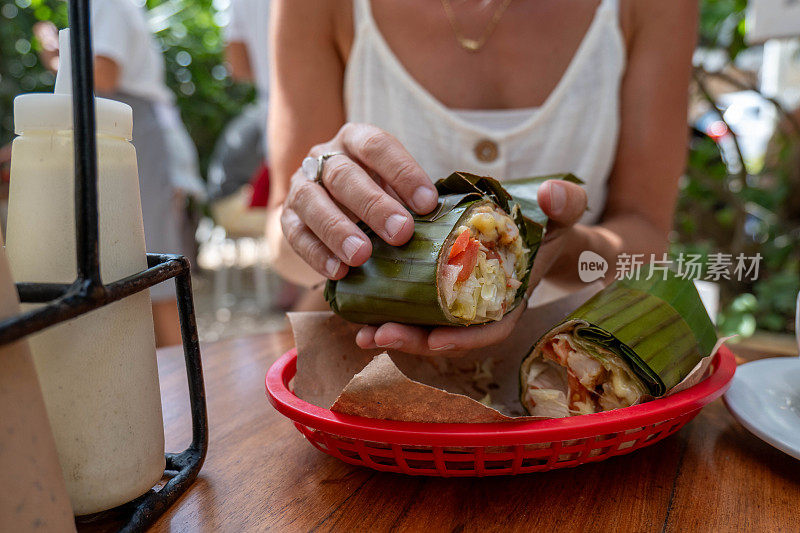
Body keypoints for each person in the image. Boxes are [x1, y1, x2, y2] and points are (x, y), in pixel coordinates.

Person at [268, 0, 697, 355]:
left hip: (573, 364)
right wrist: (311, 212)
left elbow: (645, 237)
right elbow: (280, 242)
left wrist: (568, 251)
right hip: (357, 364)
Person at [34, 0, 205, 347]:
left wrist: (53, 52)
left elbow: (103, 74)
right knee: (135, 261)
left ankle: (179, 385)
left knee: (152, 262)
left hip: (133, 126)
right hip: (130, 124)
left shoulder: (106, 3)